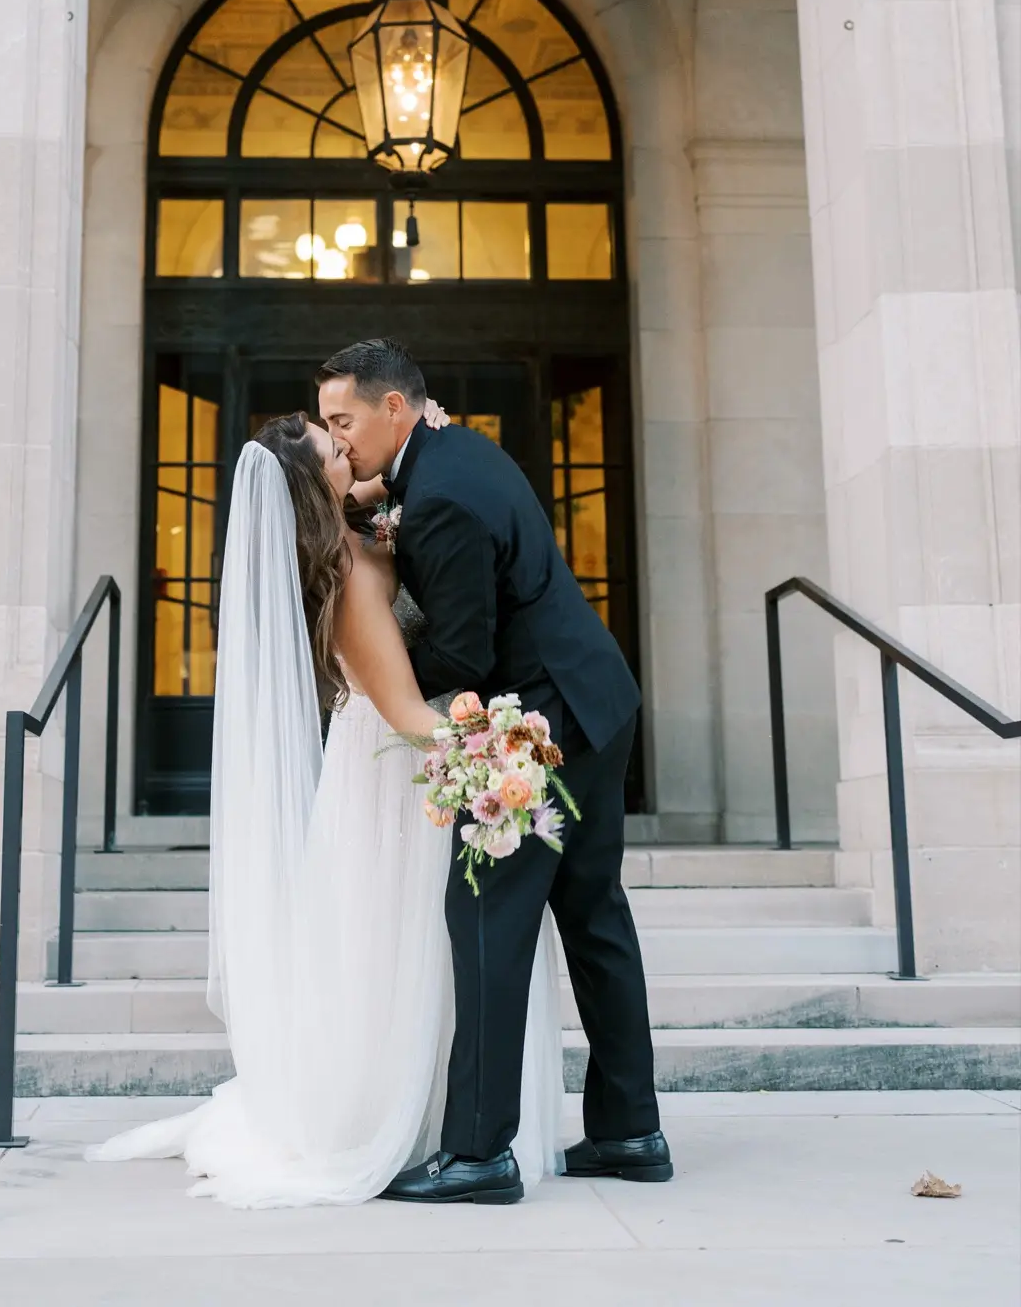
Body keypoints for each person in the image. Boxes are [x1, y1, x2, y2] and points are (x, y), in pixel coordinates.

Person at [85, 406, 564, 1207]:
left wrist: (423, 428)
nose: (345, 447)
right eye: (330, 447)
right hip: (393, 769)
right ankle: (396, 1119)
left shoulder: (364, 519)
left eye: (340, 431)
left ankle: (459, 1121)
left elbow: (403, 466)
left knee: (426, 950)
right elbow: (409, 712)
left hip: (394, 757)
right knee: (400, 947)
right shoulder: (344, 580)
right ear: (313, 483)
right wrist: (501, 754)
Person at [316, 338, 671, 1203]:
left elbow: (464, 652)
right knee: (593, 917)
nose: (341, 440)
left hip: (538, 725)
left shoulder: (436, 501)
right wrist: (372, 504)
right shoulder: (457, 448)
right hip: (598, 696)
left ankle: (477, 1152)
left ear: (394, 408)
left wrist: (375, 669)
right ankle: (630, 1134)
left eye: (344, 421)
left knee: (485, 924)